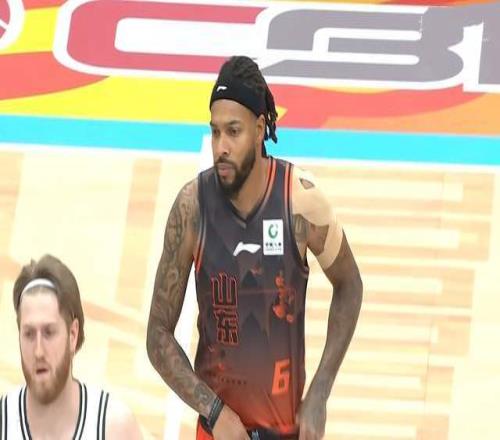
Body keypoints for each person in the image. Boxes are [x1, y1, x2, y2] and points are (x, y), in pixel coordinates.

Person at [146, 55, 363, 440]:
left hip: (288, 431)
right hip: (216, 432)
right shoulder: (192, 208)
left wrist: (320, 392)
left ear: (260, 128)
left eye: (233, 132)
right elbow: (158, 335)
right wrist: (214, 411)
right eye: (215, 132)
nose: (221, 147)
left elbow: (349, 284)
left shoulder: (300, 201)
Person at [0, 254, 142, 440]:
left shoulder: (114, 427)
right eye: (29, 334)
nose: (38, 351)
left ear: (73, 334)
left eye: (49, 332)